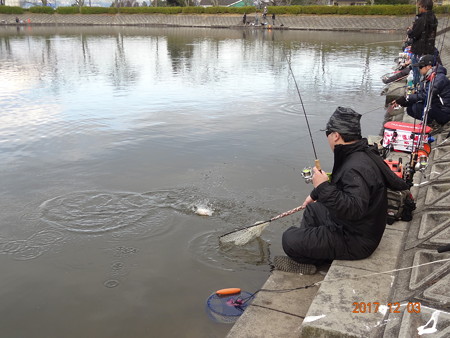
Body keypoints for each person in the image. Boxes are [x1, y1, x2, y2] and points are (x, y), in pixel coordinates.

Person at [275, 107, 409, 274]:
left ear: (336, 135)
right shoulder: (359, 153)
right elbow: (345, 190)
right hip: (356, 227)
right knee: (313, 209)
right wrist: (316, 194)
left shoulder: (356, 167)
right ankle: (313, 251)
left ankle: (311, 259)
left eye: (328, 135)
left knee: (289, 239)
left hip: (356, 239)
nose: (328, 140)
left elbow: (354, 209)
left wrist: (322, 187)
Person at [393, 55, 450, 126]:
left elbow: (426, 95)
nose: (419, 69)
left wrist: (407, 97)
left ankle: (436, 124)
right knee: (410, 109)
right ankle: (430, 122)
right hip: (435, 106)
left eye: (421, 67)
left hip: (444, 112)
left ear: (429, 67)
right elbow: (420, 94)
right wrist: (403, 102)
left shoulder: (439, 78)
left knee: (417, 107)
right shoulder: (428, 77)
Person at [407, 0, 438, 85]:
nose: (419, 8)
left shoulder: (421, 19)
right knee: (425, 73)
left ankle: (417, 89)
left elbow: (414, 34)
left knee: (417, 71)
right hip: (429, 50)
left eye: (420, 7)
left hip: (419, 50)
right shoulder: (434, 18)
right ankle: (422, 89)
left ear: (424, 7)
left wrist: (409, 31)